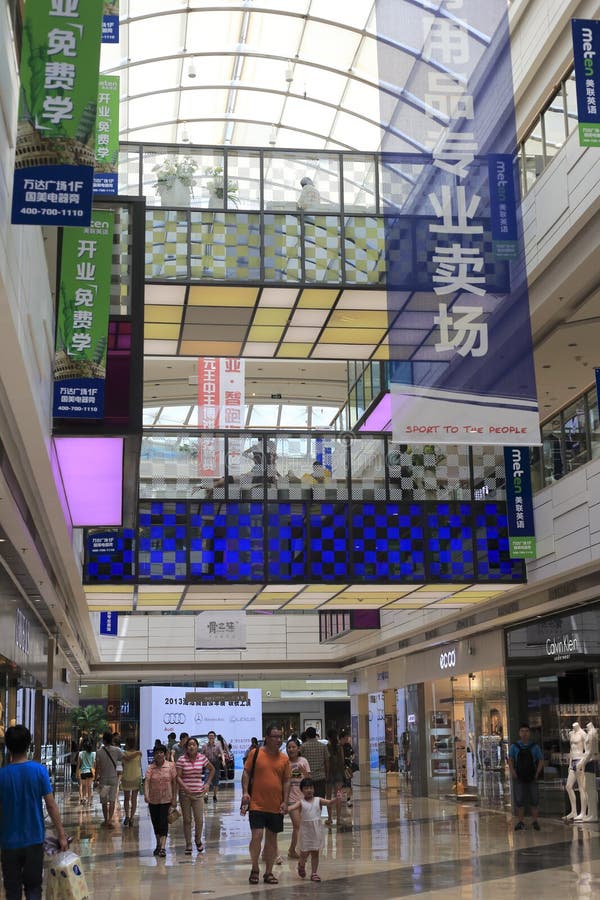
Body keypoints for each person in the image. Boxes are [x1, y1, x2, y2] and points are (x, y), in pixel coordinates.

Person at [0, 724, 68, 900]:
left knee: (12, 891)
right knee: (34, 889)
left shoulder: (2, 775)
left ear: (8, 747)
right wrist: (61, 835)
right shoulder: (39, 771)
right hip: (34, 841)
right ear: (28, 745)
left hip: (9, 843)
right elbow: (51, 806)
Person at [241, 723, 291, 885]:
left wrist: (285, 801)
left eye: (280, 737)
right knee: (257, 836)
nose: (278, 740)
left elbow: (287, 781)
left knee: (272, 840)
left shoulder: (284, 759)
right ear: (267, 738)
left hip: (276, 805)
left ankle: (268, 872)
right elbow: (246, 773)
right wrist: (245, 792)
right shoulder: (255, 754)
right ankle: (255, 868)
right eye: (275, 736)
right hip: (256, 804)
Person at [288, 777, 340, 883]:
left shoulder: (318, 800)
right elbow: (292, 808)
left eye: (311, 788)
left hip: (316, 832)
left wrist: (336, 799)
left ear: (314, 789)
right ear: (302, 791)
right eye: (306, 788)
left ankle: (314, 873)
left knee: (315, 852)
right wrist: (285, 809)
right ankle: (301, 865)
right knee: (304, 853)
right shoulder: (301, 802)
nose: (309, 790)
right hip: (306, 832)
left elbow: (329, 802)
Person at [176, 737, 215, 854]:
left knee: (199, 820)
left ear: (197, 746)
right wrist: (184, 786)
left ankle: (197, 840)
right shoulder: (181, 760)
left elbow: (212, 769)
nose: (191, 747)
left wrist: (207, 783)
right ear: (186, 748)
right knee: (187, 820)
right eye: (189, 745)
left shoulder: (202, 758)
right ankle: (188, 844)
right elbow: (177, 776)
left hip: (198, 794)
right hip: (185, 794)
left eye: (194, 745)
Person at [508, 723, 543, 831]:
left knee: (534, 799)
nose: (524, 733)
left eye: (526, 731)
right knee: (519, 800)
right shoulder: (514, 746)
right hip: (519, 776)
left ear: (529, 733)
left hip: (532, 776)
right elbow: (510, 760)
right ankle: (520, 821)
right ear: (519, 733)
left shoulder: (535, 747)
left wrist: (537, 773)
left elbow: (541, 760)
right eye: (522, 731)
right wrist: (513, 771)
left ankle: (535, 821)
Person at [144, 743, 177, 857]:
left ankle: (163, 848)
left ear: (165, 754)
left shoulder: (170, 766)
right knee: (156, 823)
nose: (159, 755)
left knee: (163, 823)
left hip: (166, 799)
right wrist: (146, 795)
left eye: (161, 752)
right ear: (154, 754)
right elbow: (147, 782)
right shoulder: (150, 768)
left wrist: (174, 798)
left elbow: (174, 782)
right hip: (153, 800)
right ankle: (158, 845)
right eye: (157, 753)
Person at [285, 738, 310, 858]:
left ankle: (301, 848)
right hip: (291, 799)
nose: (291, 749)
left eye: (293, 747)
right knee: (297, 825)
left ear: (298, 748)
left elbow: (308, 779)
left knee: (302, 826)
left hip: (303, 798)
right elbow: (284, 781)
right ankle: (291, 850)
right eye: (289, 747)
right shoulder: (285, 762)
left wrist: (303, 771)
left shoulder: (303, 761)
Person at [94, 730, 123, 827]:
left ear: (104, 740)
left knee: (104, 801)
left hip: (103, 779)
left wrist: (95, 779)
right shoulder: (117, 750)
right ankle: (110, 820)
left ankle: (105, 820)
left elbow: (97, 767)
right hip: (113, 778)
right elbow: (121, 761)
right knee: (112, 801)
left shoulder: (99, 752)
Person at [563, 721, 587, 820]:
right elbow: (571, 750)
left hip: (580, 761)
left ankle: (583, 813)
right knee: (568, 786)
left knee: (582, 788)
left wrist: (582, 762)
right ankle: (574, 811)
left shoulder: (583, 734)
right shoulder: (571, 733)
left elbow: (587, 751)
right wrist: (569, 764)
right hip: (573, 761)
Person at [300, 726, 328, 798]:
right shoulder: (323, 746)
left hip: (308, 778)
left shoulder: (303, 747)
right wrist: (326, 774)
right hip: (320, 777)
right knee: (320, 799)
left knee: (308, 799)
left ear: (307, 735)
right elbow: (327, 761)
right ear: (315, 734)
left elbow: (300, 761)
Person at [324, 728, 344, 828]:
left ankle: (330, 818)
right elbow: (343, 761)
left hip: (329, 773)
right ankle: (339, 819)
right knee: (338, 796)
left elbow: (326, 761)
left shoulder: (327, 747)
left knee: (328, 797)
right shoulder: (340, 747)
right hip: (339, 773)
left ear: (328, 737)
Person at [121, 736, 143, 827]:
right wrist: (137, 752)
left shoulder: (123, 754)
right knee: (134, 799)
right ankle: (132, 817)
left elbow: (127, 759)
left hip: (126, 777)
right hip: (136, 777)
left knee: (126, 799)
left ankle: (127, 815)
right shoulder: (139, 753)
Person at [201, 731, 225, 804]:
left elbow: (222, 753)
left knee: (216, 781)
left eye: (212, 736)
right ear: (208, 737)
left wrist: (223, 760)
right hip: (208, 764)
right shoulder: (204, 745)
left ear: (214, 737)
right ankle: (206, 795)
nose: (211, 737)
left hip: (216, 764)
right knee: (206, 779)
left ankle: (214, 796)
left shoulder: (218, 745)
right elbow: (202, 755)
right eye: (210, 736)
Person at [76, 737, 96, 807]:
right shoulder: (94, 754)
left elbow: (79, 764)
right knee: (89, 786)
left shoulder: (81, 753)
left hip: (83, 772)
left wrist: (76, 773)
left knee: (84, 786)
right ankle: (89, 801)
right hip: (90, 772)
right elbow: (94, 764)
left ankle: (84, 798)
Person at [339, 728, 356, 808]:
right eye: (346, 738)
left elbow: (353, 754)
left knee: (349, 784)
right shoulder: (338, 746)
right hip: (340, 768)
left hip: (348, 768)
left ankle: (349, 800)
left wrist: (352, 758)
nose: (347, 739)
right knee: (340, 785)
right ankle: (339, 799)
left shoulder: (348, 745)